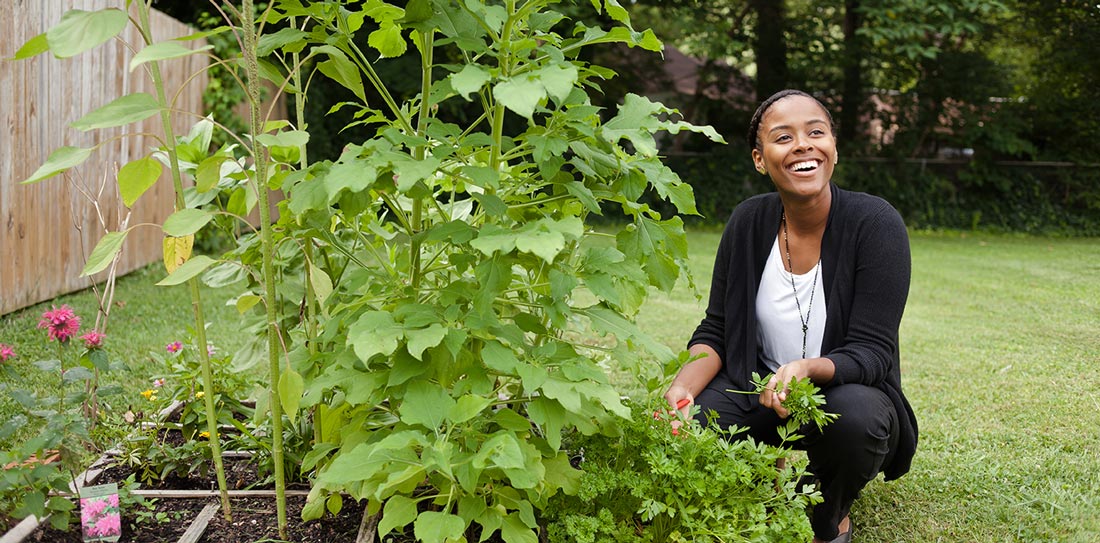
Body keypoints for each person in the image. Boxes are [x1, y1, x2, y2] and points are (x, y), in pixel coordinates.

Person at [663, 89, 917, 543]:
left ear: (833, 148)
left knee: (857, 420)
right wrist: (683, 387)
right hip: (755, 386)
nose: (802, 144)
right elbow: (717, 329)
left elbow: (873, 353)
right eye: (783, 137)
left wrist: (804, 370)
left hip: (841, 392)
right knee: (694, 428)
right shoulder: (747, 223)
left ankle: (831, 517)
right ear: (761, 160)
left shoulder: (875, 224)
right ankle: (766, 466)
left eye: (815, 132)